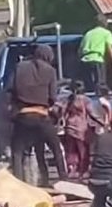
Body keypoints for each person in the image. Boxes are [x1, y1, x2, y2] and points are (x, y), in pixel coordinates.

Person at [7, 44, 67, 184]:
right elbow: (53, 97)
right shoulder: (50, 71)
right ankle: (63, 180)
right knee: (56, 149)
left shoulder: (19, 67)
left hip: (23, 116)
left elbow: (9, 90)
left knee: (17, 152)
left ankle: (18, 183)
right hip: (42, 116)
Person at [63, 80, 102, 179]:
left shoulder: (69, 99)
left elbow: (62, 112)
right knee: (83, 152)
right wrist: (102, 122)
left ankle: (72, 170)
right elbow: (92, 113)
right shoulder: (85, 100)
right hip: (81, 129)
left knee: (71, 151)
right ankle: (82, 171)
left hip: (69, 127)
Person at [78, 15, 112, 92]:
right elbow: (110, 49)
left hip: (85, 61)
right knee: (100, 84)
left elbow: (80, 50)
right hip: (97, 59)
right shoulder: (106, 33)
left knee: (88, 85)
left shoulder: (88, 33)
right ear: (105, 23)